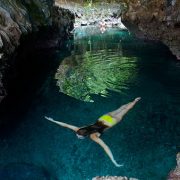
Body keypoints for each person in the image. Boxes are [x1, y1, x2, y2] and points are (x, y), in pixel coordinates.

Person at [45, 97, 141, 167]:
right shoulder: (79, 129)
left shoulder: (93, 136)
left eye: (79, 137)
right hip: (103, 118)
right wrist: (52, 120)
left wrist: (114, 161)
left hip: (110, 123)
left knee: (126, 110)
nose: (78, 136)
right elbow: (65, 125)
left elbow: (105, 147)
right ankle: (134, 99)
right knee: (120, 108)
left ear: (85, 135)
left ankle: (136, 101)